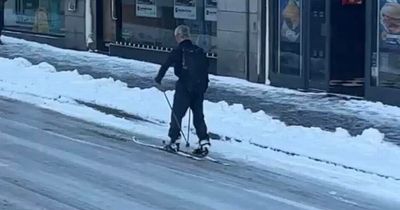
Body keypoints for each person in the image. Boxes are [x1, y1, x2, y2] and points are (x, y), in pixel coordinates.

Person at [154, 25, 211, 156]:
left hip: (184, 87)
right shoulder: (199, 51)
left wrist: (158, 79)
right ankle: (203, 141)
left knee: (177, 114)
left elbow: (166, 65)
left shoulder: (178, 50)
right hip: (199, 88)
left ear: (179, 36)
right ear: (189, 36)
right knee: (198, 116)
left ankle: (174, 140)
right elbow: (206, 68)